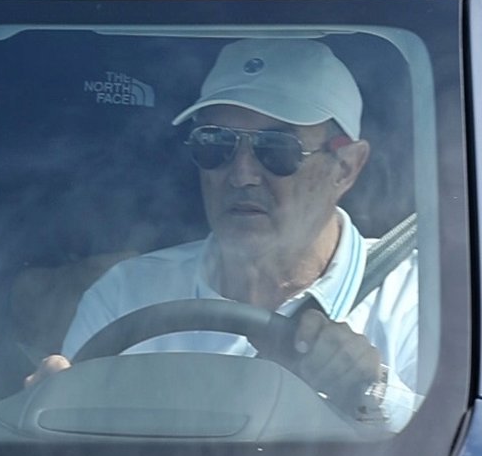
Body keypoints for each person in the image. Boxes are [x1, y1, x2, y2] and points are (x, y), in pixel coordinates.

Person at [34, 38, 419, 430]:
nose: (242, 175)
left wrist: (374, 392)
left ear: (347, 167)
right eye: (215, 144)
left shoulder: (419, 299)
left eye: (277, 149)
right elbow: (77, 454)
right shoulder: (124, 295)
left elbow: (454, 448)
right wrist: (44, 419)